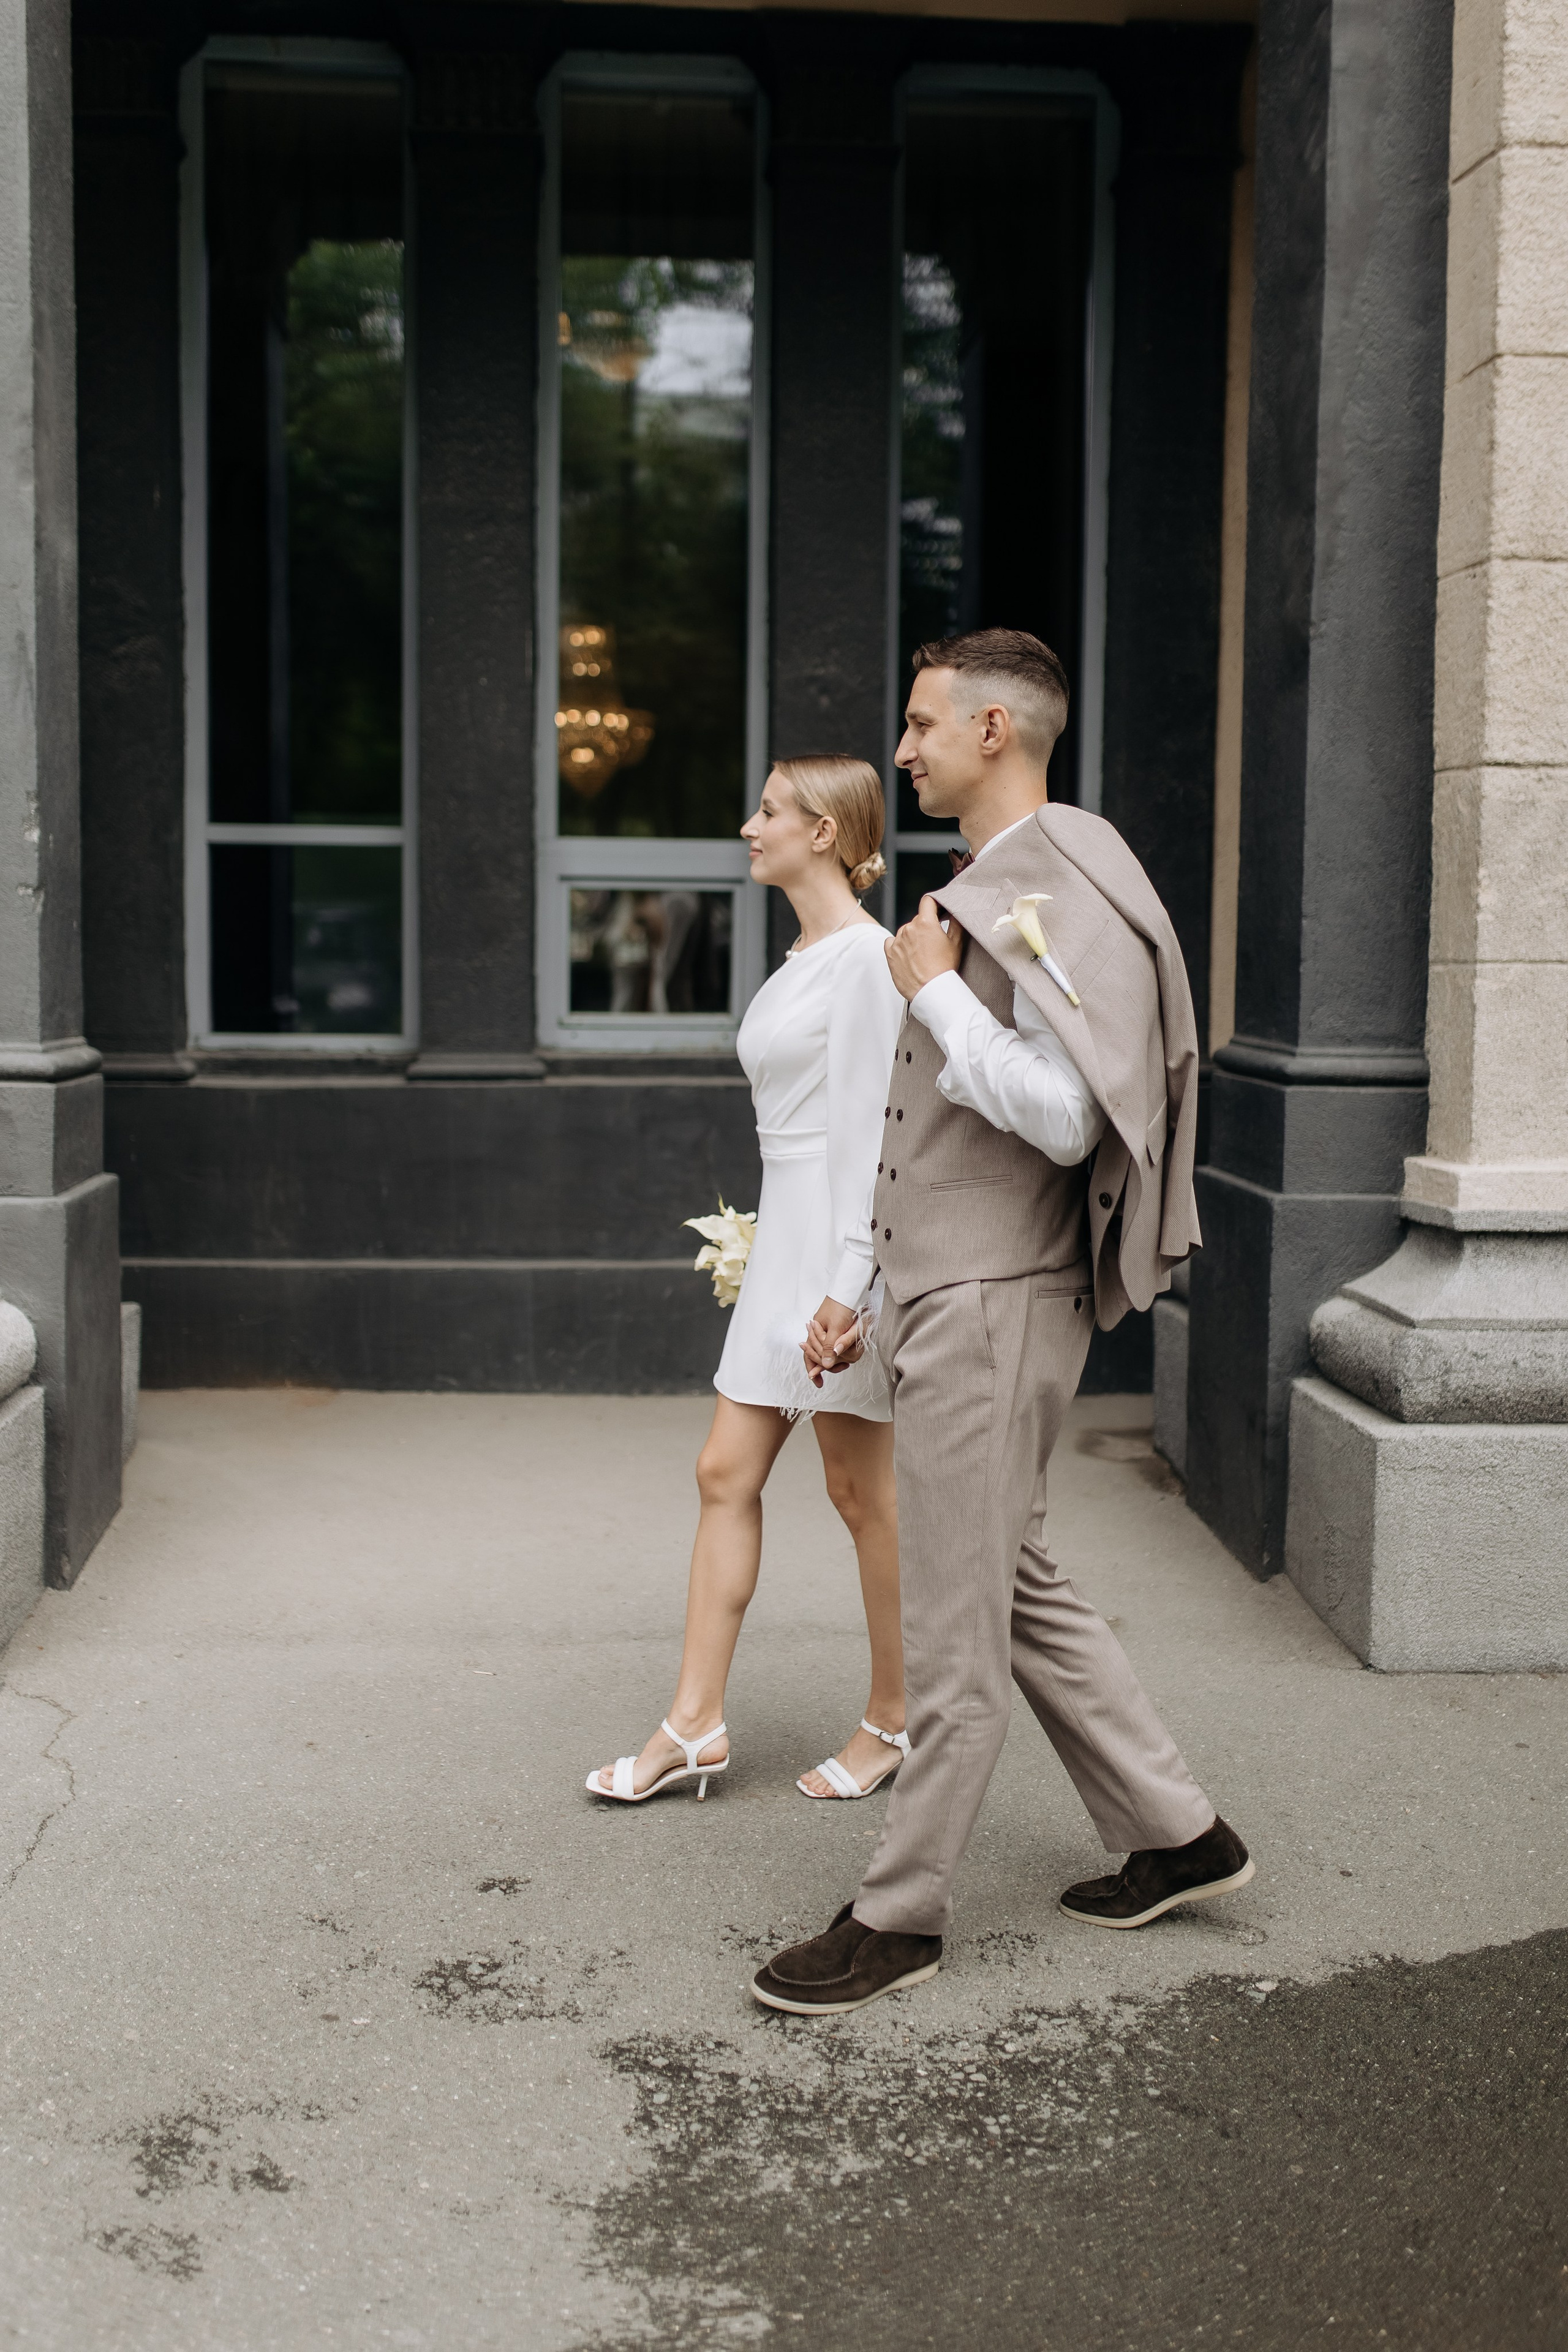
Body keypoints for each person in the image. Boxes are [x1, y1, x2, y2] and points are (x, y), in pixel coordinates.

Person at [751, 630, 1253, 2015]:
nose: (898, 749)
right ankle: (1175, 1834)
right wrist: (868, 1279)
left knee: (956, 1624)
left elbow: (1064, 1111)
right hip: (951, 1289)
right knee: (1013, 1576)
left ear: (991, 732)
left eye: (917, 725)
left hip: (991, 1304)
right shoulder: (999, 878)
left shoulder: (1060, 881)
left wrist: (929, 999)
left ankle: (897, 1915)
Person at [589, 756, 908, 1809]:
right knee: (726, 1471)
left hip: (835, 1250)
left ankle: (896, 1720)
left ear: (824, 832)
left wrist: (848, 1286)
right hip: (786, 1242)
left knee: (862, 1495)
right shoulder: (804, 957)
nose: (747, 827)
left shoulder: (866, 960)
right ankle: (695, 1724)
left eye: (768, 811)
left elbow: (871, 1133)